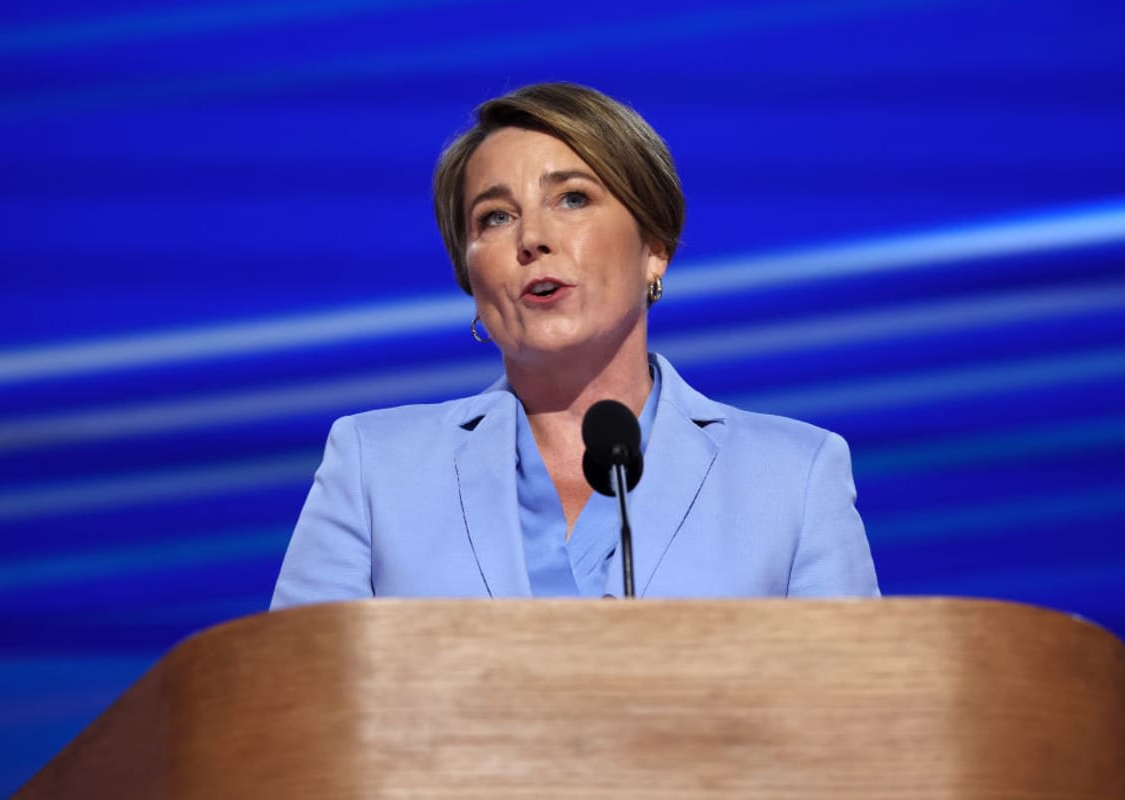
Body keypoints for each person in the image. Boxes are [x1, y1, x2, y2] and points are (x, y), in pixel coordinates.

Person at [271, 83, 878, 606]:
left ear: (655, 247)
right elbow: (287, 709)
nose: (532, 237)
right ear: (470, 277)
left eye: (573, 198)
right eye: (494, 217)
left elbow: (857, 724)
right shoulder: (374, 468)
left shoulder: (794, 476)